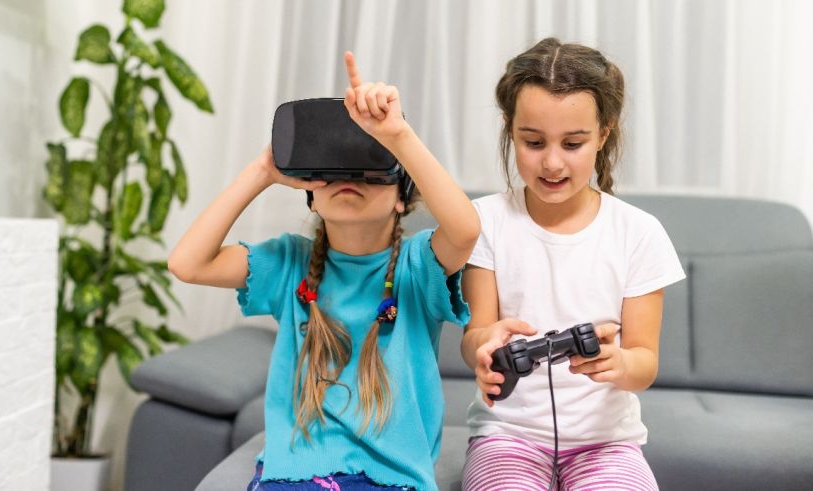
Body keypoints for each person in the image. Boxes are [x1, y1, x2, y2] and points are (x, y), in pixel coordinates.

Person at [168, 52, 479, 491]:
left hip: (393, 478)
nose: (349, 178)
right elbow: (187, 263)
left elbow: (465, 230)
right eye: (331, 173)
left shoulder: (416, 265)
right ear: (312, 196)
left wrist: (397, 135)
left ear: (401, 199)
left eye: (371, 171)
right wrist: (262, 170)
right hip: (295, 473)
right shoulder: (288, 262)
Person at [460, 38, 686, 490]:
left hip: (607, 444)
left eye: (573, 142)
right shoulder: (483, 222)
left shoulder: (638, 233)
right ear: (510, 129)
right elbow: (473, 338)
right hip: (507, 437)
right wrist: (486, 346)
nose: (552, 161)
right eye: (532, 141)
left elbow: (645, 362)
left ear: (604, 133)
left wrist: (618, 363)